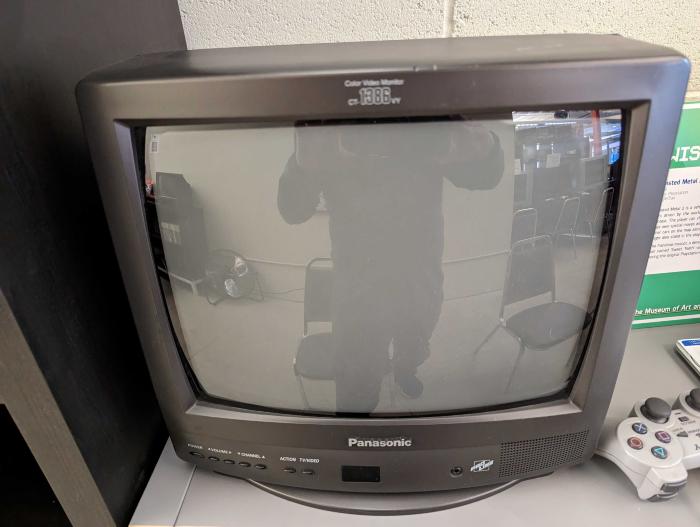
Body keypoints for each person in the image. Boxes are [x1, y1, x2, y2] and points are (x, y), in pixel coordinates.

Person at [278, 118, 504, 413]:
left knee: (414, 343)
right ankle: (360, 417)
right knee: (356, 386)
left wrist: (485, 146)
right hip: (359, 290)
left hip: (418, 280)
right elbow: (292, 210)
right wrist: (301, 166)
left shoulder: (421, 129)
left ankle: (404, 370)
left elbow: (487, 176)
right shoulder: (334, 134)